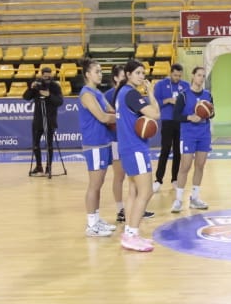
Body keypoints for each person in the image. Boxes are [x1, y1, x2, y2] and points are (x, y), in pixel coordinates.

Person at [113, 59, 161, 252]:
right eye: (139, 73)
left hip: (127, 148)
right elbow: (155, 114)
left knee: (133, 191)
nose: (142, 76)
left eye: (143, 73)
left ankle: (130, 233)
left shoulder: (121, 93)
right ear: (128, 74)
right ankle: (132, 234)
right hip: (135, 148)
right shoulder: (132, 94)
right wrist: (151, 92)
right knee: (146, 192)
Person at [76, 60, 117, 237]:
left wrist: (117, 116)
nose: (100, 74)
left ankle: (97, 220)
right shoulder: (86, 94)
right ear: (87, 74)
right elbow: (103, 117)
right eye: (97, 71)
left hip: (104, 142)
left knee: (99, 184)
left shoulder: (98, 92)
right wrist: (125, 118)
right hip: (94, 144)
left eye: (101, 71)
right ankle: (91, 225)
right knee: (94, 185)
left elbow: (111, 112)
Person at [171, 65, 212, 213]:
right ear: (193, 77)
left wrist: (207, 112)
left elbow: (212, 114)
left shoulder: (208, 95)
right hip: (188, 134)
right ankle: (178, 199)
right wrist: (189, 117)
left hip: (204, 134)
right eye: (199, 75)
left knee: (200, 166)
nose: (201, 78)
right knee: (185, 167)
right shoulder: (184, 95)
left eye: (203, 75)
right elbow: (175, 116)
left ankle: (195, 198)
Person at [152, 63, 187, 192]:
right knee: (165, 150)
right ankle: (158, 179)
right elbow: (155, 104)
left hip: (180, 121)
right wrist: (168, 100)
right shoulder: (160, 85)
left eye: (179, 76)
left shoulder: (185, 86)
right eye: (175, 75)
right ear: (170, 73)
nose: (177, 78)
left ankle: (175, 179)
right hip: (167, 120)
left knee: (178, 151)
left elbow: (188, 102)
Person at [22, 65, 63, 174]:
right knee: (35, 144)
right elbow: (26, 97)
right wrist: (31, 88)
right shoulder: (37, 85)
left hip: (50, 119)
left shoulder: (55, 86)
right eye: (45, 77)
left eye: (49, 77)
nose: (47, 79)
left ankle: (49, 167)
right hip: (38, 119)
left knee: (49, 144)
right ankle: (38, 166)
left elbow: (59, 102)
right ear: (41, 75)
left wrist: (49, 95)